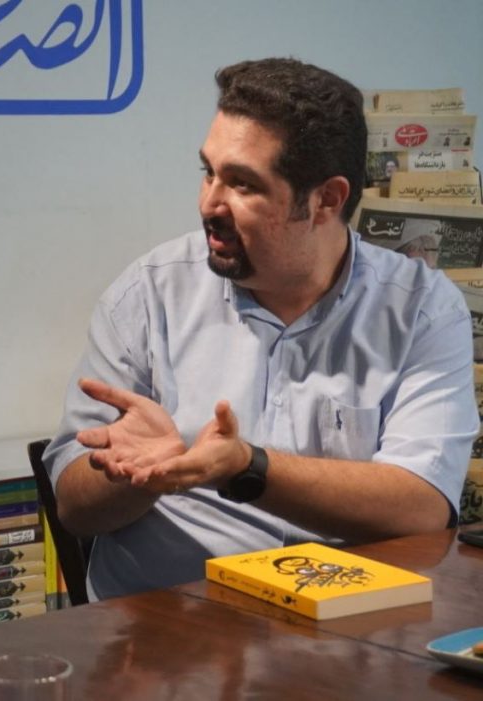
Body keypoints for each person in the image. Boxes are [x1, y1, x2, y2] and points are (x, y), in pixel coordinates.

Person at [44, 58, 477, 600]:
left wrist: (246, 468)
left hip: (349, 620)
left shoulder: (421, 309)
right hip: (171, 618)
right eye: (208, 172)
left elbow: (422, 506)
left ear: (326, 200)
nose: (209, 203)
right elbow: (74, 506)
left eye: (243, 184)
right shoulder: (149, 294)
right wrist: (135, 474)